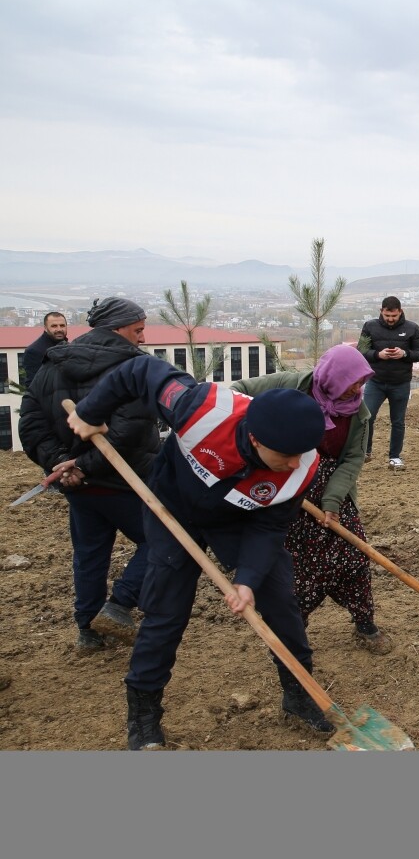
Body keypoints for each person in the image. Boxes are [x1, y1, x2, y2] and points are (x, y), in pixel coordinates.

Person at [66, 356, 333, 749]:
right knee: (165, 611)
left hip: (242, 521)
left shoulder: (301, 465)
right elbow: (139, 371)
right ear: (257, 440)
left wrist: (247, 581)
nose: (296, 463)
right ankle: (143, 714)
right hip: (173, 508)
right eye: (286, 455)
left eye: (301, 453)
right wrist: (91, 412)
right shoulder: (201, 410)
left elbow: (270, 527)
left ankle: (299, 694)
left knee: (280, 603)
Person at [231, 344, 391, 655]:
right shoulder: (290, 385)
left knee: (354, 559)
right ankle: (291, 636)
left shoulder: (358, 412)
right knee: (297, 570)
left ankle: (365, 623)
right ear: (332, 378)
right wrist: (255, 440)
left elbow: (353, 458)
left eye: (362, 382)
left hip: (332, 488)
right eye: (352, 383)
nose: (358, 389)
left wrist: (332, 503)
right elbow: (238, 391)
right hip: (286, 486)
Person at [18, 298, 157, 652]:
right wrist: (79, 464)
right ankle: (118, 605)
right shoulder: (135, 367)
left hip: (78, 487)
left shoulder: (53, 366)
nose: (142, 338)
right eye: (138, 330)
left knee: (90, 555)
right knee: (162, 541)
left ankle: (89, 631)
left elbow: (31, 424)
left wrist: (62, 463)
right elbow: (131, 431)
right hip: (127, 483)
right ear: (118, 328)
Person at [359, 295, 419, 471]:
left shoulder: (412, 328)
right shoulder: (370, 326)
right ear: (381, 311)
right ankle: (365, 452)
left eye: (393, 316)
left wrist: (404, 354)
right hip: (376, 381)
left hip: (400, 382)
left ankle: (394, 457)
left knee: (398, 421)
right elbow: (362, 350)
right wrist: (377, 355)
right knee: (367, 417)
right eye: (387, 316)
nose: (390, 319)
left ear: (400, 312)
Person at [21, 311, 69, 388]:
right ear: (45, 328)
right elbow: (34, 384)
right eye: (54, 326)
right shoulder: (34, 351)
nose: (59, 329)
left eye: (62, 325)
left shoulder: (70, 346)